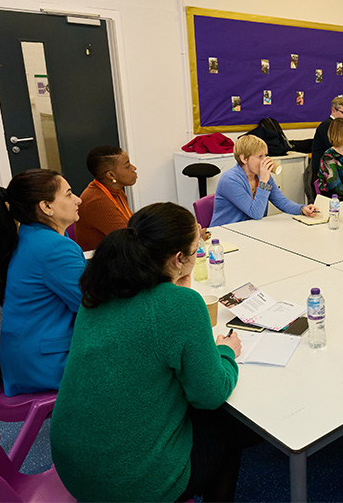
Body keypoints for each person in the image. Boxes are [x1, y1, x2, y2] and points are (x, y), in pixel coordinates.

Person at [50, 203, 248, 502]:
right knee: (226, 428)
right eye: (196, 250)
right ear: (178, 259)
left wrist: (175, 285)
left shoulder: (99, 289)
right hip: (128, 483)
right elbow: (209, 394)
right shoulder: (179, 305)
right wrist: (226, 353)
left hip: (73, 466)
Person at [0, 169, 86, 396]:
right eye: (68, 194)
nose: (78, 199)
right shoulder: (53, 248)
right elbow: (92, 303)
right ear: (46, 207)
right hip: (44, 363)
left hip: (25, 355)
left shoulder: (33, 233)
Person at [211, 135, 317, 226]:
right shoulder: (230, 179)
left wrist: (302, 209)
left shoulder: (261, 176)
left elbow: (281, 201)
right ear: (244, 159)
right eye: (260, 156)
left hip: (249, 229)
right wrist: (263, 182)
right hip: (226, 234)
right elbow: (256, 213)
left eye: (265, 155)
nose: (265, 160)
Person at [74, 145, 137, 251]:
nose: (133, 168)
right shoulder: (97, 201)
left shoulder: (115, 191)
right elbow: (128, 240)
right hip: (104, 262)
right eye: (127, 166)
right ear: (111, 175)